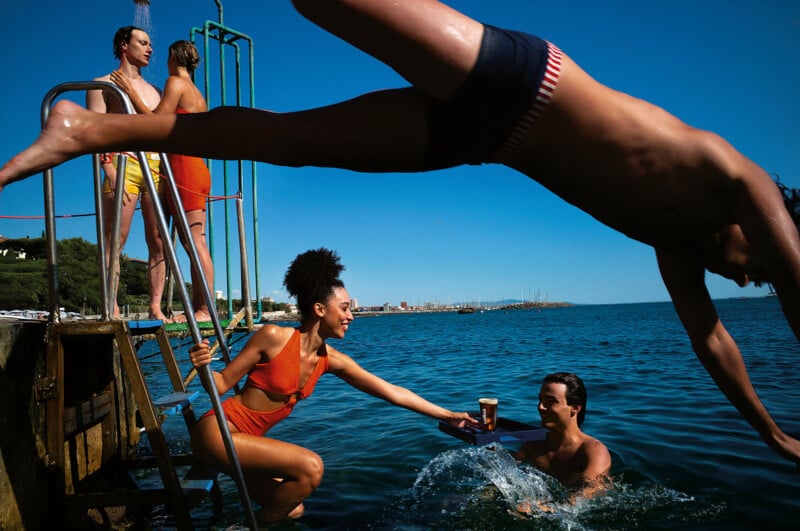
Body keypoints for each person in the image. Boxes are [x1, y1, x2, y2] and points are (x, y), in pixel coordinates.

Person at [1, 0, 799, 466]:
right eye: (754, 266)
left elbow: (713, 343)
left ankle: (87, 129)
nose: (745, 277)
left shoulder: (673, 242)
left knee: (292, 142)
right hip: (523, 80)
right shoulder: (738, 177)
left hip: (485, 140)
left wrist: (772, 433)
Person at [188, 248, 476, 524]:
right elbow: (221, 384)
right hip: (218, 432)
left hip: (247, 444)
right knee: (310, 467)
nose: (351, 316)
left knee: (292, 508)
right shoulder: (274, 337)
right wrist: (203, 366)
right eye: (345, 308)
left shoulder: (331, 360)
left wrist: (448, 415)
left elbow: (392, 392)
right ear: (319, 309)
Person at [111, 40, 214, 322]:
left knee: (194, 242)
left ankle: (205, 310)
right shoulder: (198, 94)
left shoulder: (175, 83)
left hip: (184, 168)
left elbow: (156, 122)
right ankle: (201, 307)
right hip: (196, 168)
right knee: (195, 241)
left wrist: (130, 92)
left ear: (174, 58)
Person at [86, 26, 168, 320]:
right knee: (115, 240)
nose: (150, 49)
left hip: (156, 166)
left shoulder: (156, 91)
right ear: (124, 45)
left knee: (158, 241)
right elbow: (95, 130)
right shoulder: (101, 84)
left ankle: (155, 306)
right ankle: (111, 304)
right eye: (143, 43)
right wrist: (107, 167)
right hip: (122, 162)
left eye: (150, 44)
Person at [514, 372, 611, 505]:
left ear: (575, 408)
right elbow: (508, 472)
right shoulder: (533, 444)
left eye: (551, 401)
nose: (540, 407)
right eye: (540, 400)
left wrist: (544, 508)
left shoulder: (593, 451)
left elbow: (589, 491)